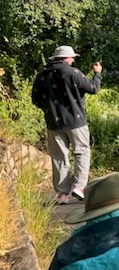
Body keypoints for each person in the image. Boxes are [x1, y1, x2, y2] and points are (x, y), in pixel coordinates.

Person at [31, 45, 102, 205]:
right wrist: (97, 73)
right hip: (76, 122)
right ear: (66, 58)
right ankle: (79, 187)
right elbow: (93, 88)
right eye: (72, 57)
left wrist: (49, 109)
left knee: (59, 157)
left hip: (53, 122)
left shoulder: (42, 75)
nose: (73, 59)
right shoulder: (72, 73)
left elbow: (35, 99)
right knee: (82, 152)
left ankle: (62, 194)